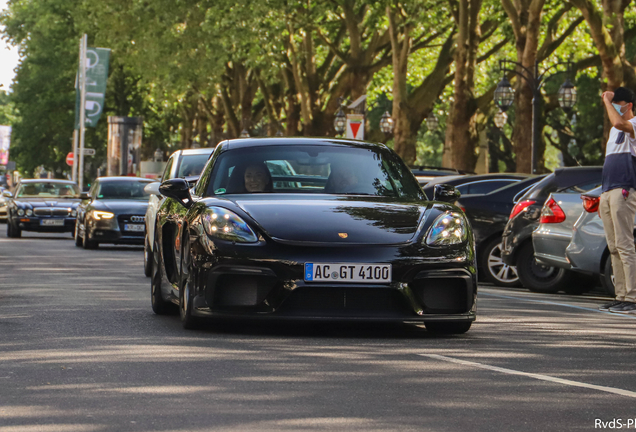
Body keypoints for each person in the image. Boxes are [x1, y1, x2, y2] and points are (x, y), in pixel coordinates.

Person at [598, 87, 636, 314]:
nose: (614, 107)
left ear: (628, 104)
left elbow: (620, 124)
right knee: (613, 246)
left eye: (618, 103)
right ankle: (621, 295)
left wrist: (606, 101)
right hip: (608, 190)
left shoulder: (631, 124)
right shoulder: (613, 131)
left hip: (624, 188)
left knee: (625, 244)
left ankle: (632, 297)